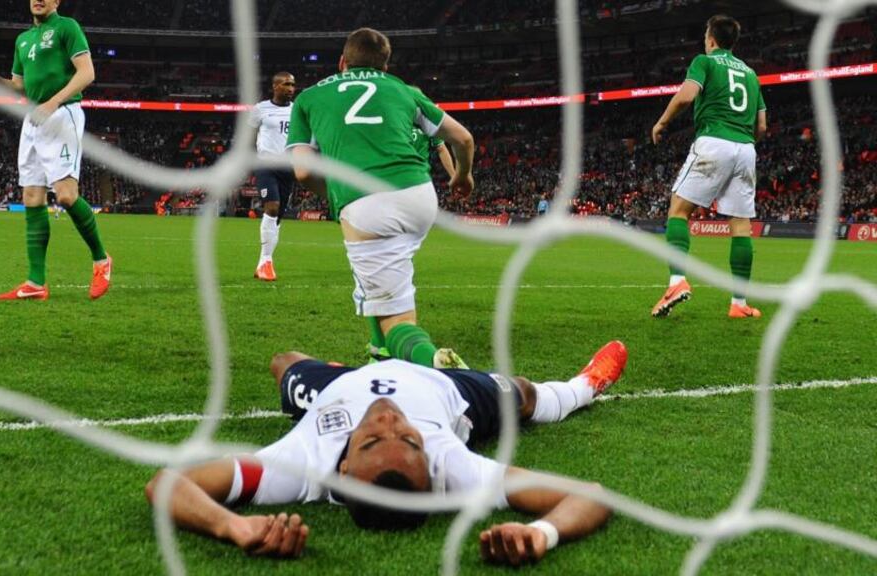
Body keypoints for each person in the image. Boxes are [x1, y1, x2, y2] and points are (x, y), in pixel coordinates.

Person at [146, 340, 626, 563]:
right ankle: (585, 385)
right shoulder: (451, 464)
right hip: (446, 390)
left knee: (285, 362)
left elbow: (165, 485)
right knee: (521, 395)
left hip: (336, 390)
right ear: (432, 461)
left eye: (375, 437)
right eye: (410, 438)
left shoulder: (300, 463)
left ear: (347, 467)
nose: (390, 417)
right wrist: (542, 534)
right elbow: (592, 494)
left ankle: (363, 360)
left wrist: (232, 526)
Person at [287, 28, 476, 369]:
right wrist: (462, 176)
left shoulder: (308, 98)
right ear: (385, 66)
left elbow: (302, 171)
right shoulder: (402, 89)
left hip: (366, 204)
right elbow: (463, 138)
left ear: (342, 62)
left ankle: (438, 365)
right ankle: (379, 354)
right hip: (419, 195)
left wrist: (336, 200)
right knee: (379, 285)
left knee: (398, 322)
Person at [0, 0, 111, 302]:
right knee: (32, 197)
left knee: (66, 195)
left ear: (56, 1)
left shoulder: (67, 27)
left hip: (62, 113)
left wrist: (53, 102)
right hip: (33, 118)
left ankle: (101, 259)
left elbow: (87, 73)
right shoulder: (23, 39)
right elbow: (18, 86)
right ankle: (35, 282)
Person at [651, 14, 767, 319]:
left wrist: (662, 122)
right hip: (746, 148)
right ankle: (739, 304)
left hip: (714, 142)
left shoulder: (705, 61)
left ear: (711, 39)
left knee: (678, 210)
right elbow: (763, 125)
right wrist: (743, 142)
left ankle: (676, 282)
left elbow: (687, 96)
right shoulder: (752, 74)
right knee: (740, 226)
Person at [251, 72, 297, 282]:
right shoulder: (260, 109)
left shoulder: (297, 110)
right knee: (272, 207)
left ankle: (265, 262)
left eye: (293, 85)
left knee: (277, 217)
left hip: (288, 168)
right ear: (275, 86)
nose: (291, 88)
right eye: (286, 84)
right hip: (266, 165)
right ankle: (265, 263)